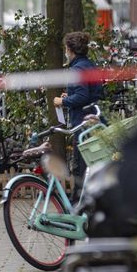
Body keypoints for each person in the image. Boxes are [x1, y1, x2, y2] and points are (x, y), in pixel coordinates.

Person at [53, 31, 103, 181]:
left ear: (70, 50)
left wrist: (63, 101)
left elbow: (82, 96)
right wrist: (69, 97)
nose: (65, 52)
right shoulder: (89, 65)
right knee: (92, 165)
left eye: (66, 49)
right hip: (93, 120)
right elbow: (89, 93)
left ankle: (78, 202)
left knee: (80, 169)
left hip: (82, 122)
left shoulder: (77, 69)